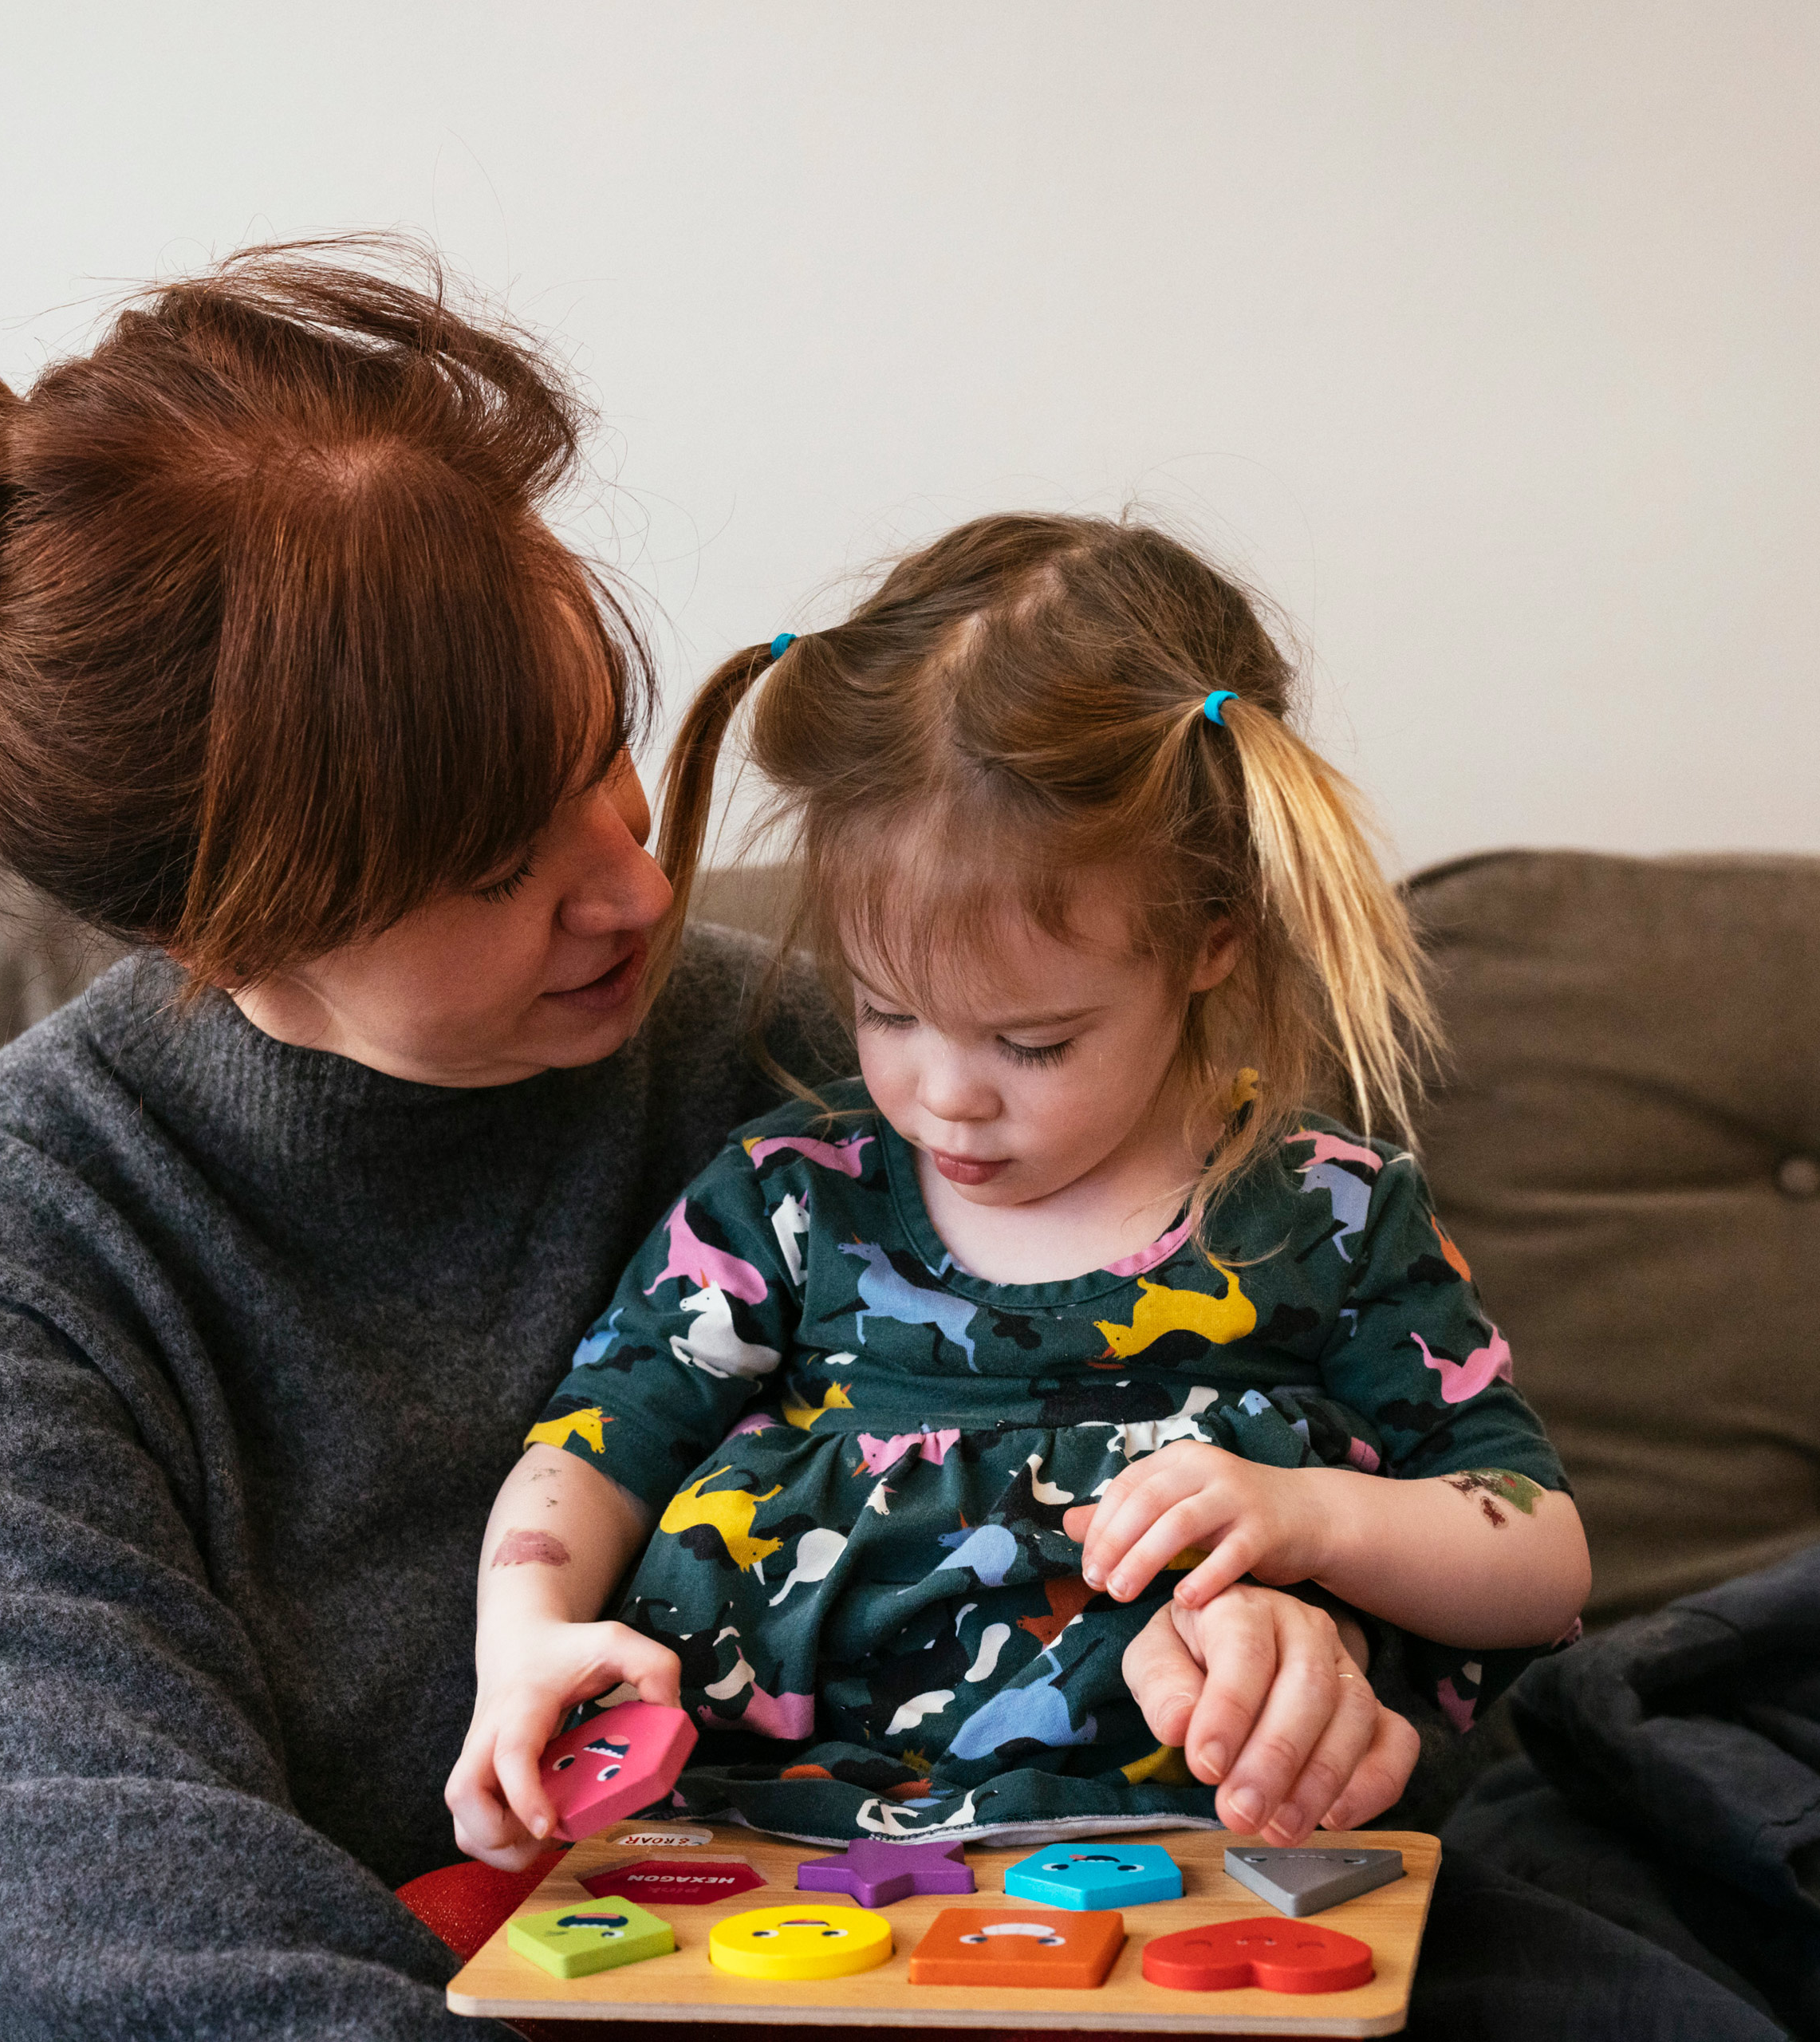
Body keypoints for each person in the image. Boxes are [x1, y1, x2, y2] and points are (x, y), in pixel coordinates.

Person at [0, 244, 1420, 2039]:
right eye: (502, 860)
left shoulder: (830, 1071)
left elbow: (1284, 1391)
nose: (638, 881)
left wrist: (1303, 1647)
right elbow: (109, 1918)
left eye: (604, 746)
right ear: (226, 921)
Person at [450, 514, 1588, 1867]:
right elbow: (592, 1449)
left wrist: (1316, 1517)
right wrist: (523, 1643)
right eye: (885, 1013)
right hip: (771, 1848)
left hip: (1193, 1859)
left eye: (1032, 1043)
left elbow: (1541, 1557)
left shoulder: (1325, 1216)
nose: (945, 1097)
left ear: (1211, 936)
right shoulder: (789, 1202)